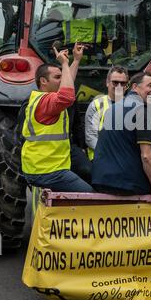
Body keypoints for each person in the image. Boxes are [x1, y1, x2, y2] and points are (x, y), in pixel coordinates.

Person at [21, 43, 94, 192]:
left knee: (89, 172)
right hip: (45, 170)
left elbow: (68, 84)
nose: (62, 80)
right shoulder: (46, 101)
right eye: (57, 77)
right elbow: (67, 96)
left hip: (47, 166)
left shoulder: (42, 98)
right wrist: (65, 63)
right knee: (89, 195)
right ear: (43, 81)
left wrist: (76, 60)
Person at [92, 72, 151, 202]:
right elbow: (147, 156)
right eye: (150, 86)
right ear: (135, 87)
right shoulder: (142, 111)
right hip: (127, 184)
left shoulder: (112, 108)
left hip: (101, 180)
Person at [85, 66, 129, 160]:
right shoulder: (96, 105)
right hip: (101, 156)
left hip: (124, 157)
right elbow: (91, 137)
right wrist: (110, 153)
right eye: (115, 82)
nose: (119, 86)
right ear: (107, 83)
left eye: (123, 83)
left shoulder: (132, 106)